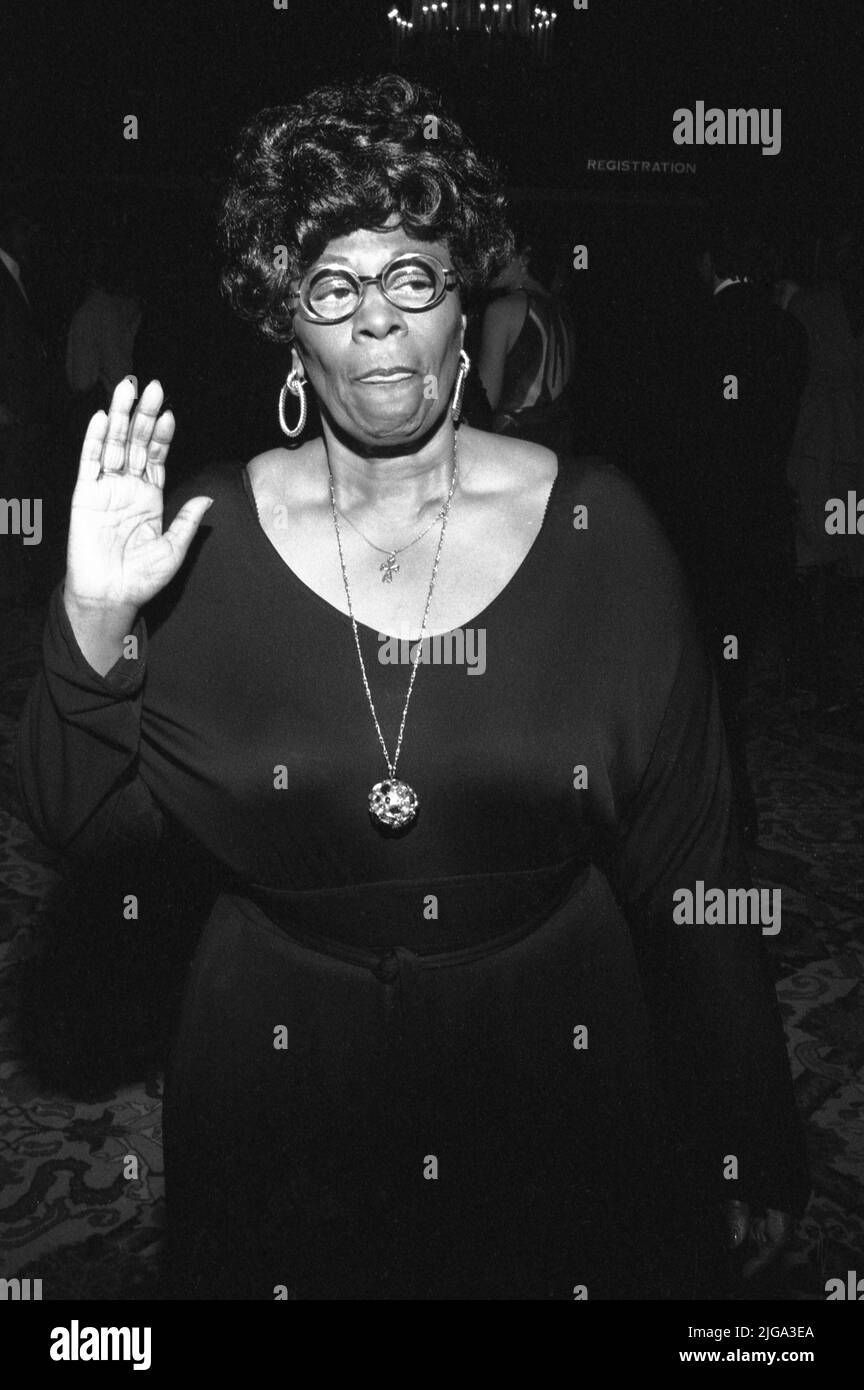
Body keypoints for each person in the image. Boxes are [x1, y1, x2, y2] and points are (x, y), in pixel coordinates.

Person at [16, 74, 808, 1301]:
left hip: (556, 1048)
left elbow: (693, 862)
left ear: (463, 305)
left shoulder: (603, 524)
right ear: (290, 323)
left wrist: (747, 1118)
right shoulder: (199, 540)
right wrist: (95, 619)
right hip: (273, 1069)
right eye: (334, 286)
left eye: (413, 279)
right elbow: (80, 820)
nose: (377, 320)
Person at [675, 216, 808, 843]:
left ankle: (724, 802)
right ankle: (733, 798)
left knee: (710, 667)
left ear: (710, 261)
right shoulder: (786, 327)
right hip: (763, 512)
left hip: (710, 520)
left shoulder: (701, 325)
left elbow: (682, 435)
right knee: (737, 659)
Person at [476, 225, 578, 456]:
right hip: (558, 449)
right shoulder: (562, 311)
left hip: (515, 449)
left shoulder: (502, 310)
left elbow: (484, 403)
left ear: (523, 259)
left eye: (498, 252)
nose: (487, 259)